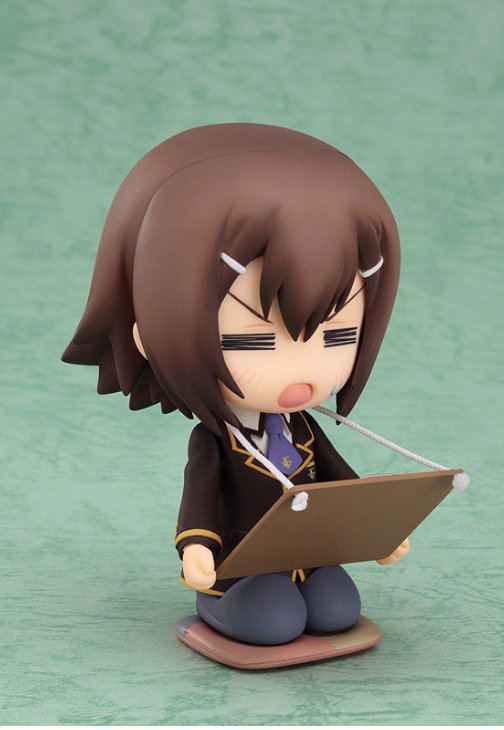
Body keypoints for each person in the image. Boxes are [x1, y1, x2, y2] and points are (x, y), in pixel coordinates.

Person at [62, 122, 408, 646]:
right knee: (274, 620)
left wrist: (378, 529)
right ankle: (220, 607)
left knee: (338, 608)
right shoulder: (216, 442)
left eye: (338, 335)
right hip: (242, 571)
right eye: (254, 340)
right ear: (151, 334)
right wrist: (197, 550)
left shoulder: (303, 431)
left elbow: (339, 484)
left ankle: (294, 590)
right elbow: (200, 502)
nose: (302, 367)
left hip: (305, 560)